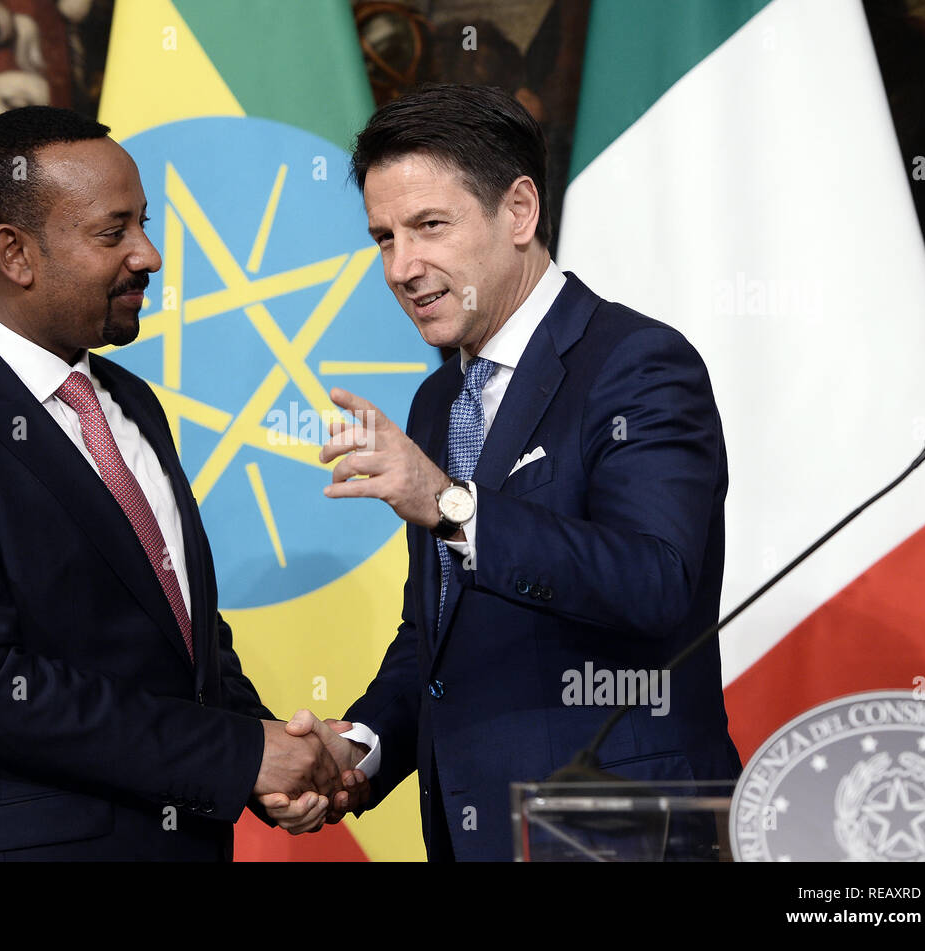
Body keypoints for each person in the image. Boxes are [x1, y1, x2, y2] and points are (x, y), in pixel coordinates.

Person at [0, 106, 348, 860]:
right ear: (16, 253)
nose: (150, 255)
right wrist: (237, 754)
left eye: (144, 223)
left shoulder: (130, 402)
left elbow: (177, 638)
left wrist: (263, 757)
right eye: (114, 233)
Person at [278, 83, 743, 861]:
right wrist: (361, 747)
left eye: (429, 226)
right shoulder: (437, 400)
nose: (401, 266)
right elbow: (443, 628)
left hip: (623, 832)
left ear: (519, 212)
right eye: (384, 237)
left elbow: (656, 581)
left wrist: (452, 505)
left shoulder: (637, 365)